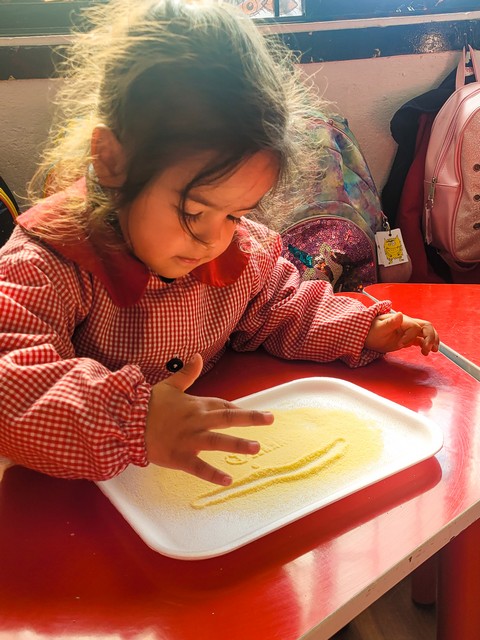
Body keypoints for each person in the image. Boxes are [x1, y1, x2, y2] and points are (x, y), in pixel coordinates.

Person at [0, 0, 438, 487]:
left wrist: (362, 328)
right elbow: (11, 386)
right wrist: (134, 420)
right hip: (83, 496)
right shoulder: (44, 263)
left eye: (236, 213)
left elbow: (285, 308)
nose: (214, 238)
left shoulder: (241, 253)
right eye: (193, 211)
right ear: (112, 162)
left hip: (188, 487)